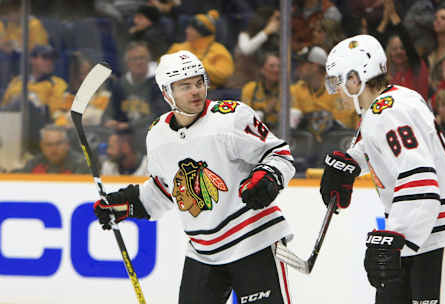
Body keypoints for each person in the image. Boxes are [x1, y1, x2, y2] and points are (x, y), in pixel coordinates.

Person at [93, 50, 295, 303]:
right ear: (167, 93)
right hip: (204, 252)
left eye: (199, 83)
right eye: (185, 86)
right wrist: (129, 203)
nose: (196, 91)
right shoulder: (157, 136)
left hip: (254, 241)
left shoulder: (231, 117)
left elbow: (278, 153)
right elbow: (165, 190)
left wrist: (269, 177)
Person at [321, 34, 445, 303]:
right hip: (419, 230)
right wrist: (350, 163)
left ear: (355, 79)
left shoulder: (389, 111)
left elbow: (420, 180)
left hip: (441, 231)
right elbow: (377, 143)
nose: (335, 91)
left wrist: (394, 238)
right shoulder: (389, 104)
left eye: (337, 81)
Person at [166, 9, 235, 90]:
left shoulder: (219, 51)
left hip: (207, 93)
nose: (187, 31)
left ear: (202, 32)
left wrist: (196, 65)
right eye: (188, 28)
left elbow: (224, 75)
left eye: (192, 29)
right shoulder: (178, 47)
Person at [13, 124, 89, 174]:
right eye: (48, 145)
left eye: (58, 143)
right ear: (41, 146)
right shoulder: (34, 163)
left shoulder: (82, 165)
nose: (54, 149)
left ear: (67, 144)